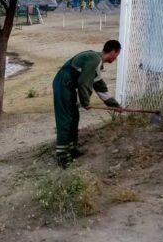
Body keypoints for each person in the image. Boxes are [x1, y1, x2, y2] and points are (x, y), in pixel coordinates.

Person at [52, 40, 125, 168]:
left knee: (74, 117)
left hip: (68, 86)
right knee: (65, 119)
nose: (116, 58)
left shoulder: (96, 63)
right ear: (113, 51)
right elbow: (83, 82)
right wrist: (85, 102)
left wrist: (115, 106)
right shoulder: (94, 59)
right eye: (117, 55)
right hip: (62, 83)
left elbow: (101, 89)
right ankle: (63, 157)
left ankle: (72, 150)